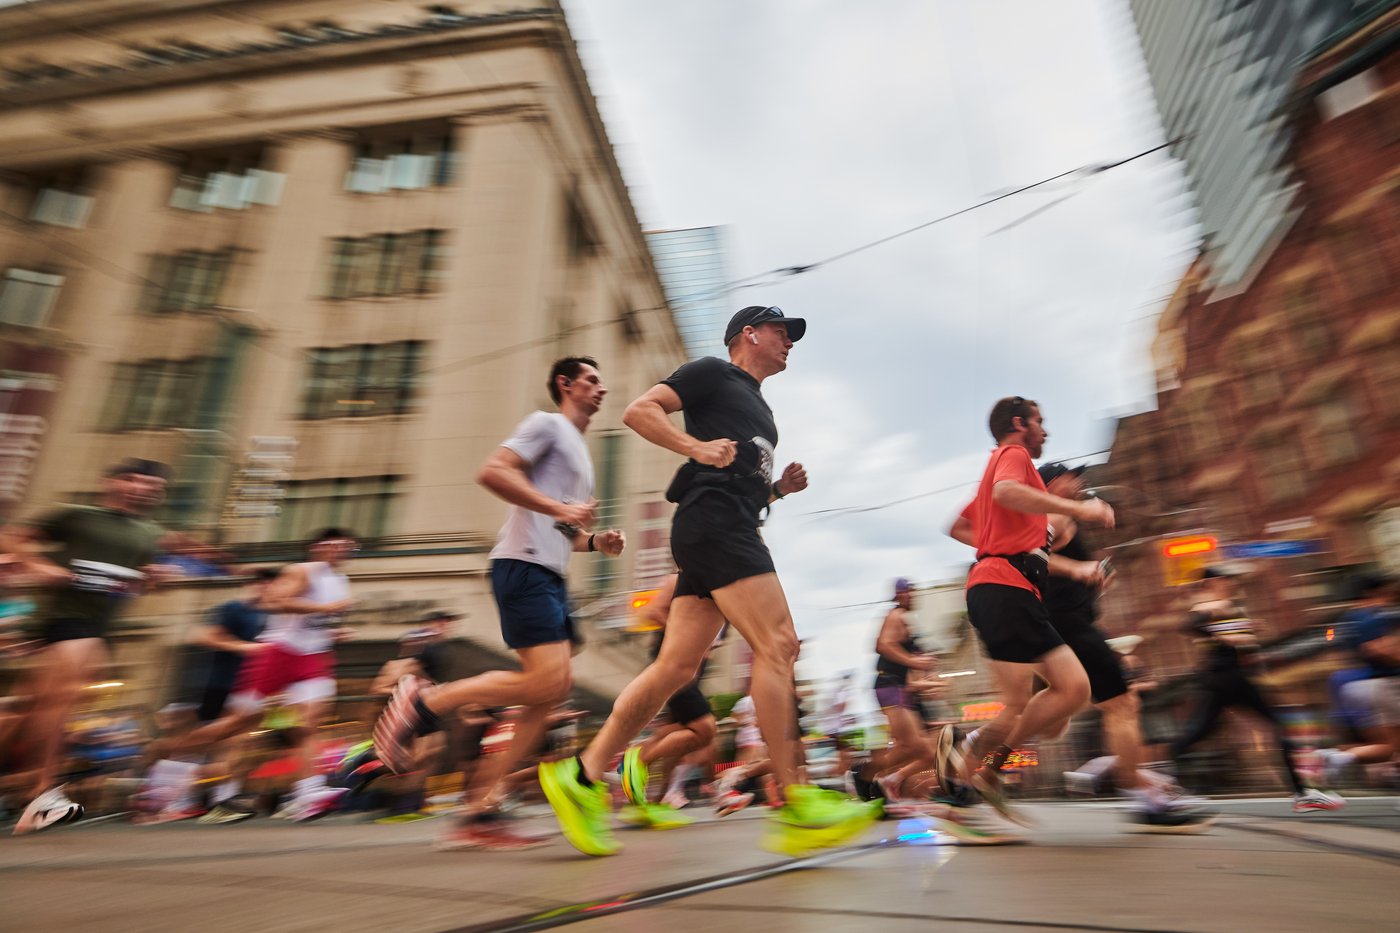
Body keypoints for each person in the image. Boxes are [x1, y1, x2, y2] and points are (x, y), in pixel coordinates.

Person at [536, 306, 878, 858]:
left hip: (721, 525)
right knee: (779, 645)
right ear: (749, 334)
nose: (789, 341)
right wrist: (694, 448)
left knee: (675, 668)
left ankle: (583, 774)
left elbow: (741, 480)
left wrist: (779, 491)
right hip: (716, 525)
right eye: (781, 332)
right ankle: (796, 800)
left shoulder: (761, 408)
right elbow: (639, 411)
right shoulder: (713, 372)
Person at [373, 357, 625, 850]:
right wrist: (560, 507)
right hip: (523, 565)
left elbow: (562, 529)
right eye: (592, 380)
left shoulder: (579, 454)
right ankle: (424, 701)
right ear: (565, 384)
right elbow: (492, 471)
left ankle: (481, 809)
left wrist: (595, 542)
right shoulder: (547, 424)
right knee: (546, 682)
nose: (602, 388)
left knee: (551, 691)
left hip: (550, 574)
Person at [946, 396, 1114, 825]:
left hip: (1008, 590)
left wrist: (1005, 543)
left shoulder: (1002, 475)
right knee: (1033, 700)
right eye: (1041, 422)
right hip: (1003, 590)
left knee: (1067, 691)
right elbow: (1006, 492)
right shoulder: (1014, 454)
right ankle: (964, 782)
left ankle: (982, 772)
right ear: (1019, 423)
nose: (1046, 431)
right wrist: (1079, 508)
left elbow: (959, 526)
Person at [1029, 463, 1211, 832]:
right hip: (1069, 627)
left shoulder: (1061, 518)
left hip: (1059, 628)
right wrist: (1079, 570)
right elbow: (1031, 557)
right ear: (1053, 484)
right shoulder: (1054, 516)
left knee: (1049, 725)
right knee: (1123, 704)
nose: (1080, 481)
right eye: (1072, 476)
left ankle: (975, 750)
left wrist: (1093, 576)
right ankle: (1144, 800)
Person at [2, 458, 172, 834]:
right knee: (60, 702)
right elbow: (11, 539)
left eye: (150, 485)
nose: (139, 488)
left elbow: (140, 577)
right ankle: (42, 796)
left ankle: (34, 793)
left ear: (158, 494)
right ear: (110, 482)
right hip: (66, 617)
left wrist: (154, 576)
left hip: (102, 625)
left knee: (29, 709)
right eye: (131, 479)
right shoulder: (77, 515)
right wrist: (39, 565)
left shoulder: (149, 532)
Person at [161, 528, 358, 822]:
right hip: (279, 654)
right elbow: (276, 602)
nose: (341, 550)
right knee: (237, 726)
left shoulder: (340, 581)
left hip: (314, 657)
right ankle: (169, 770)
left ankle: (308, 794)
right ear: (317, 547)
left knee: (308, 726)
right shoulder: (300, 571)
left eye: (348, 547)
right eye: (334, 544)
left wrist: (332, 631)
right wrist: (325, 607)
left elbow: (313, 621)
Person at [1169, 566, 1342, 812]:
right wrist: (1225, 637)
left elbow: (1241, 647)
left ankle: (1303, 792)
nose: (1232, 583)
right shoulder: (1210, 605)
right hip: (1225, 677)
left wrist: (1251, 643)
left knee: (1198, 732)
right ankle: (1303, 792)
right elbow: (1190, 625)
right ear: (1214, 582)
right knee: (1277, 726)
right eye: (1227, 579)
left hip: (1230, 678)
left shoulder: (1232, 607)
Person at [614, 573, 721, 829]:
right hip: (675, 667)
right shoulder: (680, 580)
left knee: (680, 737)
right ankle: (637, 760)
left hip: (691, 673)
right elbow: (651, 612)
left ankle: (654, 802)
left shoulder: (718, 590)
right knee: (703, 730)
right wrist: (685, 637)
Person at [850, 578, 954, 808]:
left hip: (899, 689)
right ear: (898, 595)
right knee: (916, 747)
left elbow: (911, 677)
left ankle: (887, 779)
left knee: (925, 752)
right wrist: (914, 661)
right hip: (888, 686)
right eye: (906, 592)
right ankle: (866, 774)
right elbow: (883, 645)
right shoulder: (895, 615)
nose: (911, 596)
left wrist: (930, 681)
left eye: (913, 592)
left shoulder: (905, 621)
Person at [1317, 575, 1399, 787]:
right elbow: (1376, 648)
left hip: (1351, 686)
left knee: (1386, 744)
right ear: (1373, 592)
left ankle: (1339, 756)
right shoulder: (1375, 617)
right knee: (1391, 745)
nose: (1391, 597)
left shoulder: (1347, 619)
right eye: (1389, 592)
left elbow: (1336, 647)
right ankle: (1342, 757)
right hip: (1380, 683)